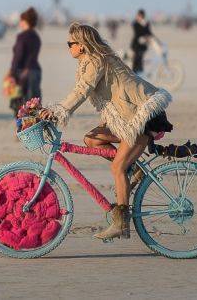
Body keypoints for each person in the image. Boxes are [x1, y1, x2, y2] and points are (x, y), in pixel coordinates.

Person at [40, 23, 172, 241]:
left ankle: (121, 223)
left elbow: (82, 91)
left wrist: (59, 111)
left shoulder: (95, 60)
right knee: (92, 139)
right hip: (128, 118)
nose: (68, 47)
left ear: (81, 46)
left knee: (117, 168)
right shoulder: (91, 60)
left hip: (143, 117)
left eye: (70, 43)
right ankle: (134, 169)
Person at [8, 7, 41, 113]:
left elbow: (18, 56)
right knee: (35, 105)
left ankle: (26, 128)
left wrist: (12, 73)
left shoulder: (22, 37)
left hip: (24, 73)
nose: (20, 23)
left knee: (23, 106)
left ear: (26, 21)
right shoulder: (36, 36)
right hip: (36, 71)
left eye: (21, 20)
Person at [130, 9, 152, 74]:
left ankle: (140, 73)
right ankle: (135, 73)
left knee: (140, 59)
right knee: (136, 59)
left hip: (143, 45)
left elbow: (149, 32)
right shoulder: (135, 23)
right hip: (136, 45)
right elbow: (137, 32)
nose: (140, 17)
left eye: (141, 16)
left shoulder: (146, 23)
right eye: (139, 16)